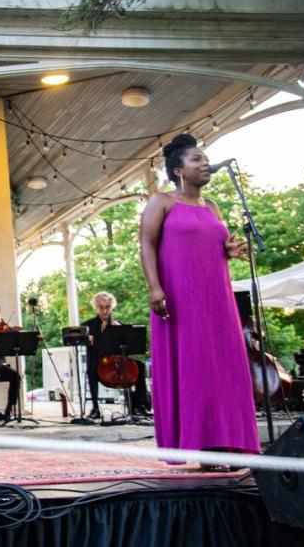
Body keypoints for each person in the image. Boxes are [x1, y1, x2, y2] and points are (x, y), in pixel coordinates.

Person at [140, 133, 258, 461]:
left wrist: (228, 249)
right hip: (180, 296)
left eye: (205, 159)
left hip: (217, 297)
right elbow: (147, 243)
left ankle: (226, 443)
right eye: (196, 159)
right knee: (193, 367)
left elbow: (211, 243)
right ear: (178, 170)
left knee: (223, 367)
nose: (205, 164)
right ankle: (200, 445)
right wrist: (155, 287)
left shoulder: (212, 206)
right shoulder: (161, 202)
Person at [82, 291, 149, 419]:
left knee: (140, 366)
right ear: (96, 307)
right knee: (90, 370)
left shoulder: (119, 324)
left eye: (107, 307)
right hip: (99, 361)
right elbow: (80, 341)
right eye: (101, 307)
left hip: (118, 361)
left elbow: (128, 348)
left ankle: (141, 405)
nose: (105, 311)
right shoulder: (88, 325)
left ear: (111, 307)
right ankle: (95, 408)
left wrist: (120, 331)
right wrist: (87, 339)